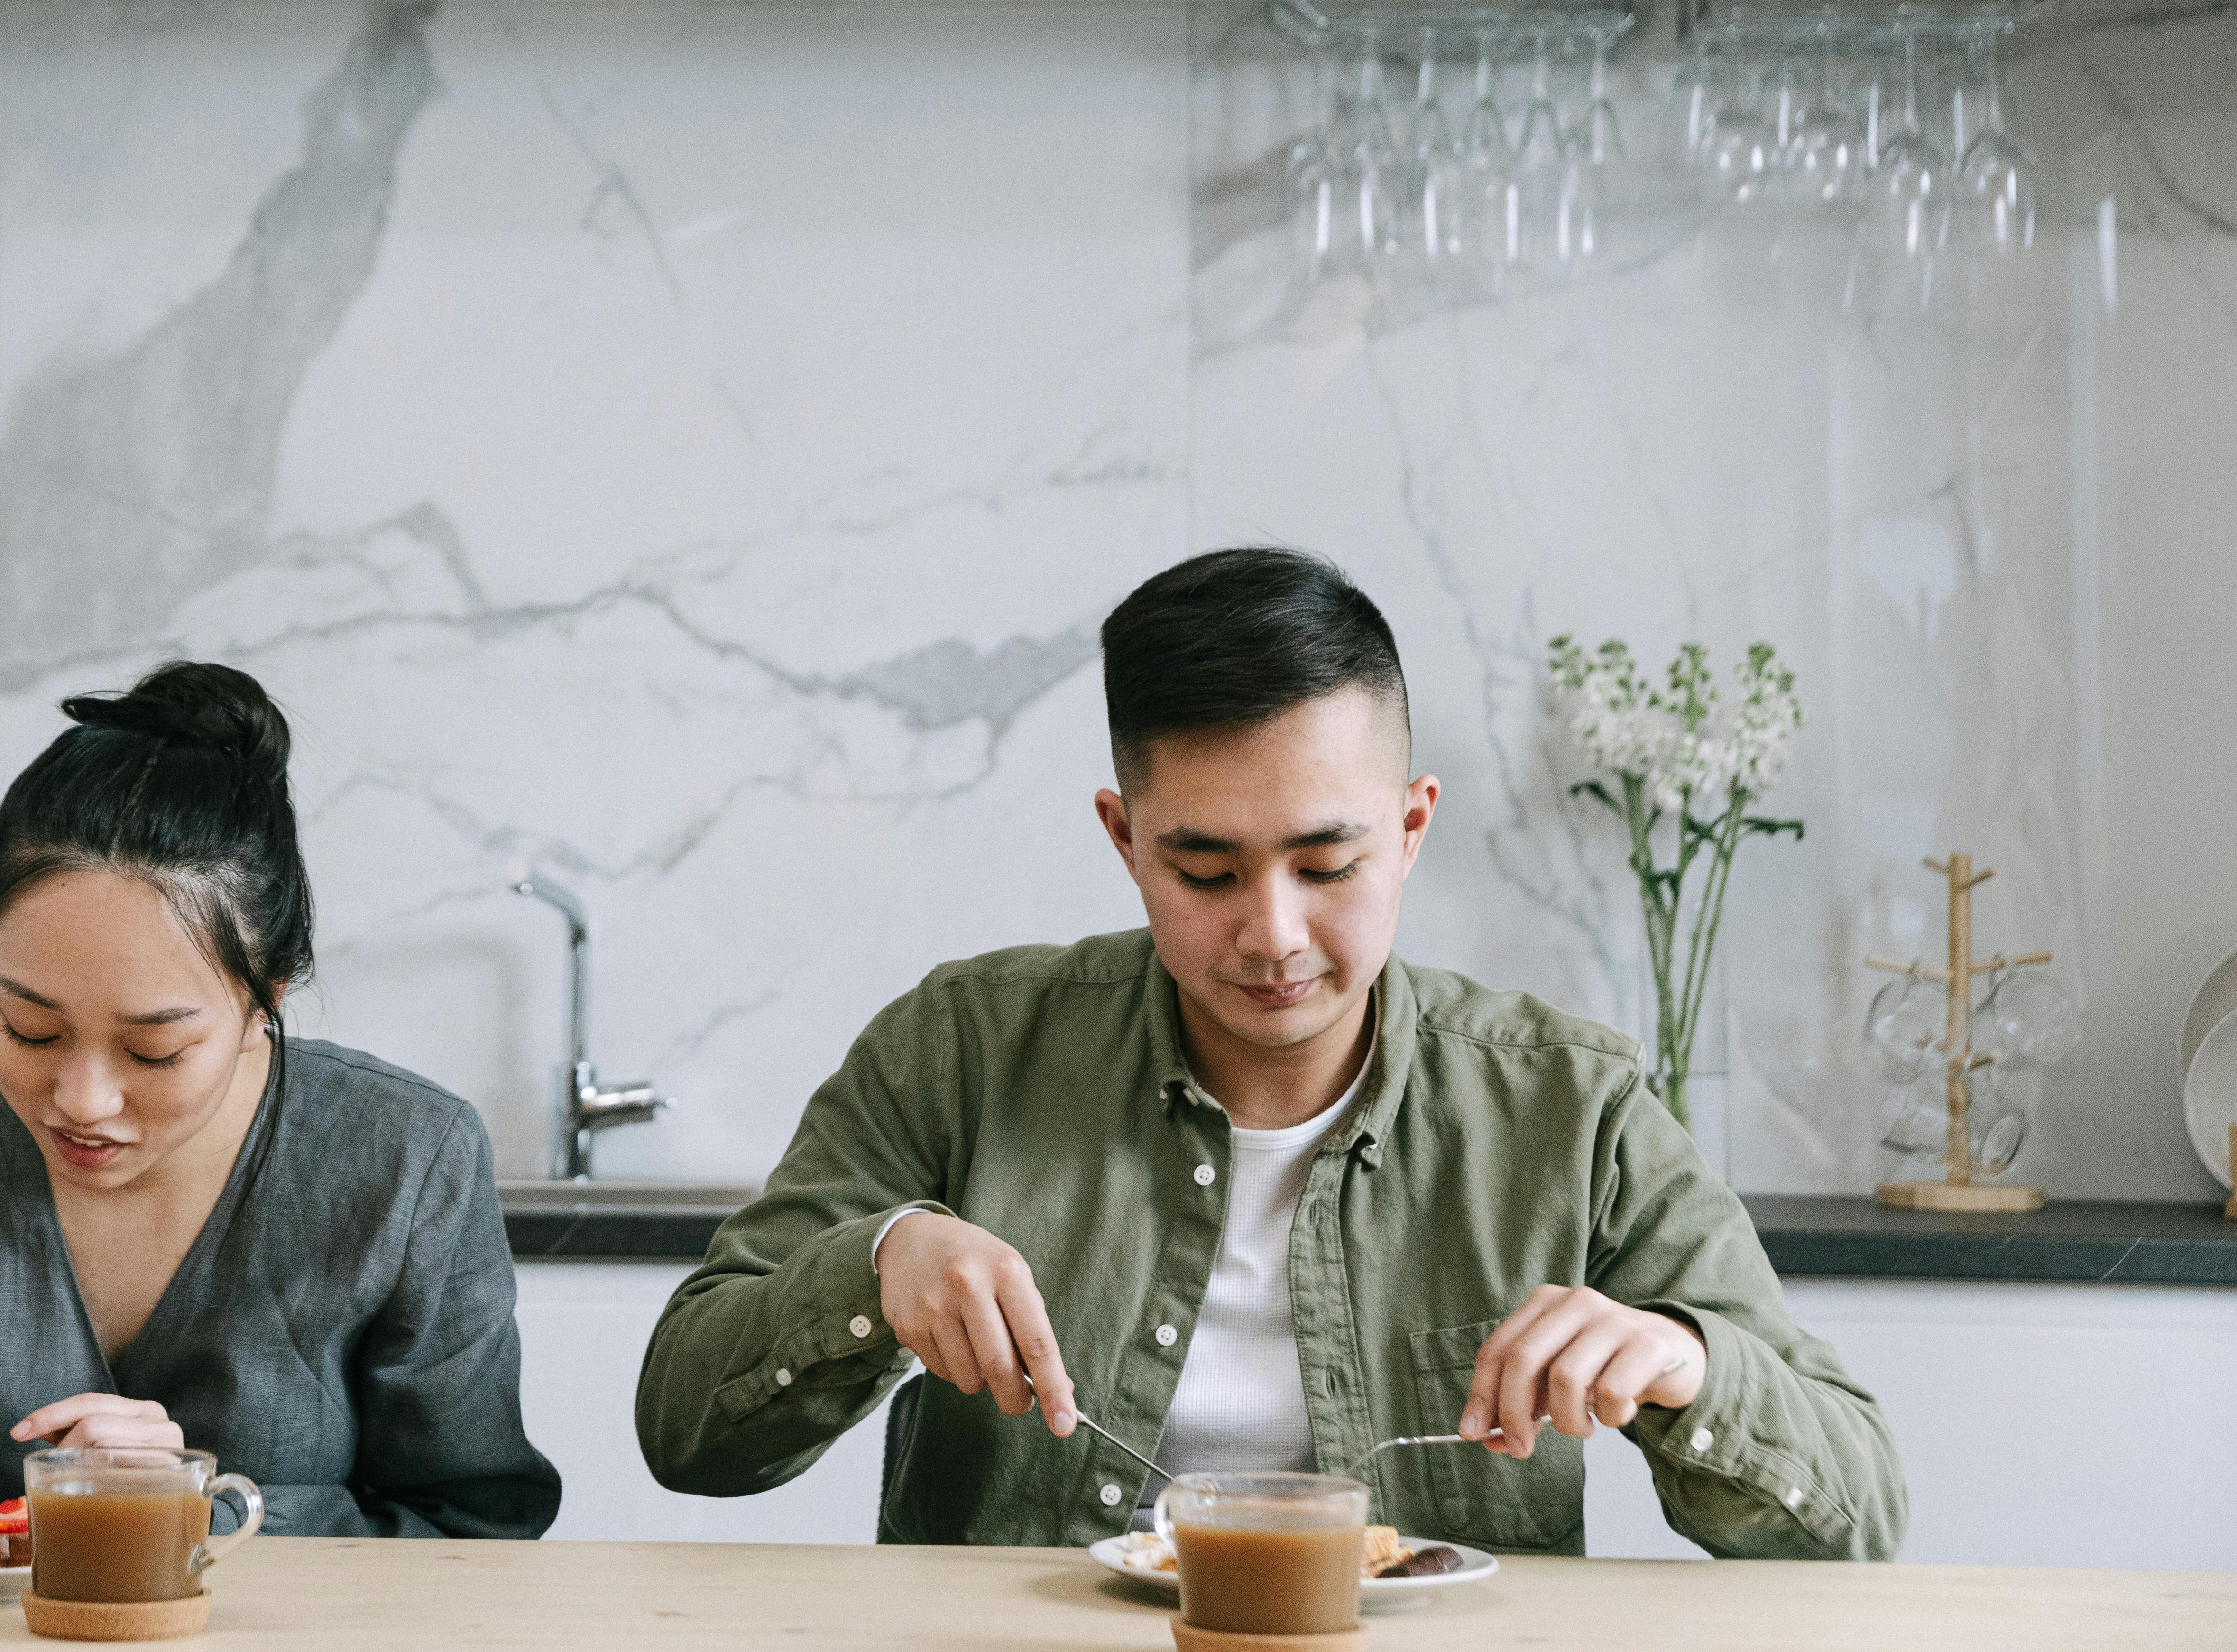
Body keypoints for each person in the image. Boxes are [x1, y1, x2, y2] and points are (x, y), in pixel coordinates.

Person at [635, 548, 1905, 1558]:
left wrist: (1684, 1363)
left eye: (1326, 861)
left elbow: (1859, 1510)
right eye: (1203, 869)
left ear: (1410, 829)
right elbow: (687, 1432)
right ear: (1123, 839)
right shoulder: (962, 1050)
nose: (1272, 935)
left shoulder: (1566, 1104)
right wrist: (876, 1264)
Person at [0, 661, 560, 1538]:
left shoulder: (404, 1155)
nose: (82, 1100)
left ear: (264, 1000)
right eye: (27, 1029)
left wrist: (205, 1510)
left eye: (154, 1048)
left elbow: (473, 1529)